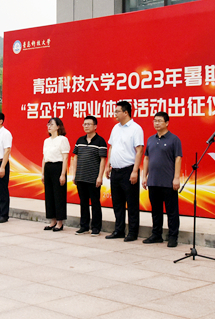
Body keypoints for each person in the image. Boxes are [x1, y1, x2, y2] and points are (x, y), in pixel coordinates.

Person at [105, 101, 144, 241]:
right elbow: (111, 147)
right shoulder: (115, 128)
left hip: (129, 170)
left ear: (126, 112)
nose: (115, 114)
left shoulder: (136, 128)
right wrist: (108, 165)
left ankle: (132, 232)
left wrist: (135, 171)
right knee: (117, 203)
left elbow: (139, 150)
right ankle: (119, 230)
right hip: (115, 170)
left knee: (132, 203)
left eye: (117, 111)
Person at [142, 111, 183, 248]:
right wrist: (144, 176)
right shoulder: (150, 139)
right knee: (156, 211)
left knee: (172, 212)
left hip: (168, 182)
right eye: (155, 121)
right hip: (153, 181)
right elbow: (146, 158)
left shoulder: (174, 139)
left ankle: (173, 237)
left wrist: (176, 178)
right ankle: (156, 235)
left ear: (167, 123)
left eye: (159, 121)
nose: (157, 123)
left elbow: (178, 159)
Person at [71, 115, 107, 235]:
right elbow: (75, 157)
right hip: (81, 176)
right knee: (83, 202)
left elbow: (103, 160)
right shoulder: (80, 140)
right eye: (84, 124)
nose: (86, 126)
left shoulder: (100, 141)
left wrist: (100, 176)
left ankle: (96, 227)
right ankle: (84, 226)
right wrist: (74, 174)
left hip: (93, 178)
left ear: (95, 126)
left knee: (95, 203)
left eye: (89, 124)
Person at [42, 117, 71, 232]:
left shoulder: (62, 139)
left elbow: (65, 158)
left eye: (52, 124)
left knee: (59, 195)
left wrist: (63, 174)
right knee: (49, 196)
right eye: (48, 124)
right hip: (48, 168)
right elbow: (44, 158)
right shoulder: (46, 141)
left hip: (58, 167)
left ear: (58, 127)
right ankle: (52, 221)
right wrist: (43, 173)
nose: (49, 126)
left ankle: (59, 222)